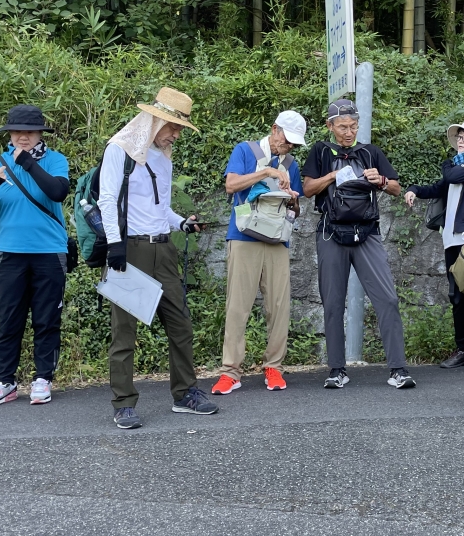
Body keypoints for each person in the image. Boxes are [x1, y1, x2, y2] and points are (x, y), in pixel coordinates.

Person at [99, 87, 215, 428]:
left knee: (180, 324)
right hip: (130, 248)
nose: (176, 134)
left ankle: (185, 394)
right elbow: (108, 200)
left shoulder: (163, 156)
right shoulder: (118, 150)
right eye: (173, 126)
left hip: (163, 249)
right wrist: (115, 245)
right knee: (125, 330)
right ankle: (123, 403)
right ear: (154, 119)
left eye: (180, 127)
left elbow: (159, 207)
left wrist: (181, 223)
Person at [302, 99, 415, 389]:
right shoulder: (321, 151)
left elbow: (395, 187)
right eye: (342, 127)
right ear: (330, 126)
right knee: (333, 302)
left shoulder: (370, 152)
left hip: (367, 232)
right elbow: (307, 189)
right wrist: (333, 175)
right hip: (330, 232)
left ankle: (398, 369)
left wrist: (380, 181)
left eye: (353, 126)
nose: (348, 132)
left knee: (387, 298)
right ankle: (337, 369)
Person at [0, 105, 71, 407]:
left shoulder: (55, 161)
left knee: (46, 318)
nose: (22, 136)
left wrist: (27, 162)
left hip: (49, 252)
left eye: (29, 131)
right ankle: (5, 380)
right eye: (16, 131)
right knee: (9, 319)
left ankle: (43, 378)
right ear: (9, 134)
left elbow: (57, 192)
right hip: (10, 254)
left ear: (40, 133)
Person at [211, 110, 307, 395]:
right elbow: (231, 185)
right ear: (274, 129)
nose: (288, 147)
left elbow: (297, 210)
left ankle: (274, 367)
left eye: (294, 144)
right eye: (286, 140)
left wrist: (293, 201)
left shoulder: (291, 164)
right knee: (237, 306)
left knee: (279, 306)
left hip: (277, 239)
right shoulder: (246, 150)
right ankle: (231, 371)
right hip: (243, 235)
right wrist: (266, 172)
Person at [403, 118, 464, 372]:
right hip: (452, 237)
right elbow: (439, 187)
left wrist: (448, 162)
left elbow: (449, 174)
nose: (460, 141)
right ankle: (463, 350)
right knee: (457, 295)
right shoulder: (460, 163)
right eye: (460, 137)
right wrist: (414, 189)